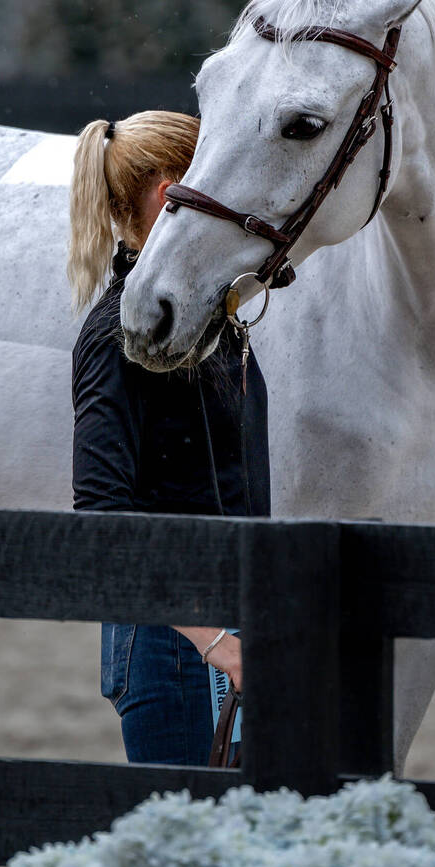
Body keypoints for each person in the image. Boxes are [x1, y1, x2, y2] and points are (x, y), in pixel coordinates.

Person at [69, 111, 271, 766]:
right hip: (177, 642)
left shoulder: (204, 327)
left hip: (221, 630)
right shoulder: (116, 337)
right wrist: (217, 642)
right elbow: (102, 519)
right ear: (168, 194)